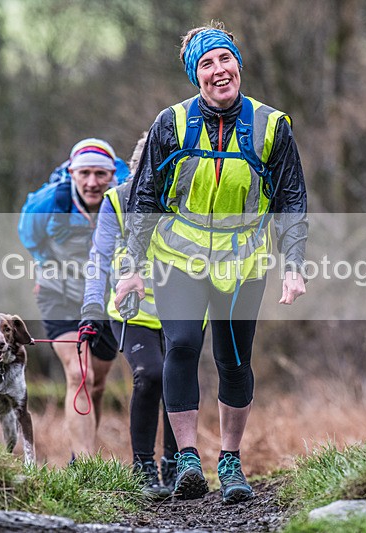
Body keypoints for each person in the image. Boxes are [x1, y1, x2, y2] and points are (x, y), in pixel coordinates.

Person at [113, 22, 308, 504]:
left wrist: (294, 263)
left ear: (238, 64)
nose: (219, 71)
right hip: (179, 257)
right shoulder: (171, 123)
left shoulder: (272, 125)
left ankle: (231, 462)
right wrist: (133, 265)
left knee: (234, 360)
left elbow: (291, 198)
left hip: (244, 266)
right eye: (206, 64)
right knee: (180, 344)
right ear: (194, 76)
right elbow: (143, 198)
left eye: (225, 60)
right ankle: (186, 460)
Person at [78, 134, 178, 498]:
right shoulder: (117, 201)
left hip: (183, 305)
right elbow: (99, 258)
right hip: (130, 308)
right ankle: (143, 467)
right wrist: (91, 306)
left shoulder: (187, 198)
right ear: (135, 167)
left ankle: (176, 463)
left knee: (176, 381)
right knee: (150, 374)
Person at [18, 138, 126, 462]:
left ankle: (87, 454)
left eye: (100, 174)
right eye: (85, 174)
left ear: (112, 175)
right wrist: (45, 264)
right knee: (80, 375)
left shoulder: (126, 197)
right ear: (72, 172)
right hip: (60, 296)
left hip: (107, 300)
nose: (92, 182)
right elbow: (28, 234)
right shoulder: (50, 201)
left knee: (98, 381)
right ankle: (86, 464)